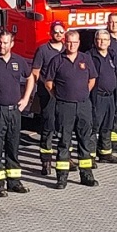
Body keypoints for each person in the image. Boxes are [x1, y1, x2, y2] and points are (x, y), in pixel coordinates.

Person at [0, 29, 33, 193]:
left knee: (13, 146)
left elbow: (30, 77)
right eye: (0, 42)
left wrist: (26, 98)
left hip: (15, 111)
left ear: (12, 44)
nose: (1, 45)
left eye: (5, 43)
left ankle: (14, 182)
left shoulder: (19, 61)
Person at [44, 27, 97, 186]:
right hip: (64, 107)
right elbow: (48, 83)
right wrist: (59, 96)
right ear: (64, 42)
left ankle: (86, 176)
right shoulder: (57, 60)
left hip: (83, 105)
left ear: (79, 43)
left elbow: (92, 79)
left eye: (75, 42)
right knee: (63, 142)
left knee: (84, 141)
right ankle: (62, 178)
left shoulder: (85, 59)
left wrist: (83, 93)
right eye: (69, 42)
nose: (72, 45)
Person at [30, 19, 69, 182]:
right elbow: (35, 72)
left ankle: (66, 158)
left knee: (65, 127)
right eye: (56, 32)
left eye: (61, 32)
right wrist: (47, 87)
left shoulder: (68, 49)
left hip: (65, 95)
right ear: (50, 33)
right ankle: (46, 161)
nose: (58, 34)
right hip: (48, 96)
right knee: (48, 127)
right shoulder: (43, 50)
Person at [90, 24, 117, 161]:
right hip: (97, 98)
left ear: (109, 41)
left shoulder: (111, 54)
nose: (102, 42)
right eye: (99, 39)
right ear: (95, 41)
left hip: (110, 96)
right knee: (94, 127)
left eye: (105, 40)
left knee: (107, 125)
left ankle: (105, 153)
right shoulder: (90, 56)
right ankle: (90, 156)